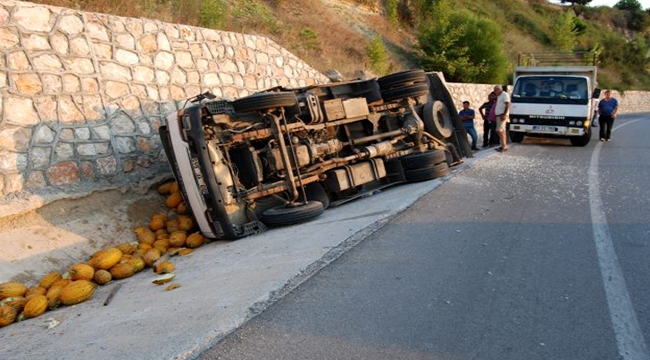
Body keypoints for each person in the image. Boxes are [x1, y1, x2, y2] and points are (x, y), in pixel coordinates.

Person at [493, 85, 510, 152]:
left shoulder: (504, 95)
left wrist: (504, 114)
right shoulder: (499, 96)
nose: (494, 92)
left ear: (498, 89)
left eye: (495, 90)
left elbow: (507, 104)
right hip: (498, 115)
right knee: (501, 130)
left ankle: (504, 146)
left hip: (502, 115)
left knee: (500, 130)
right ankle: (503, 145)